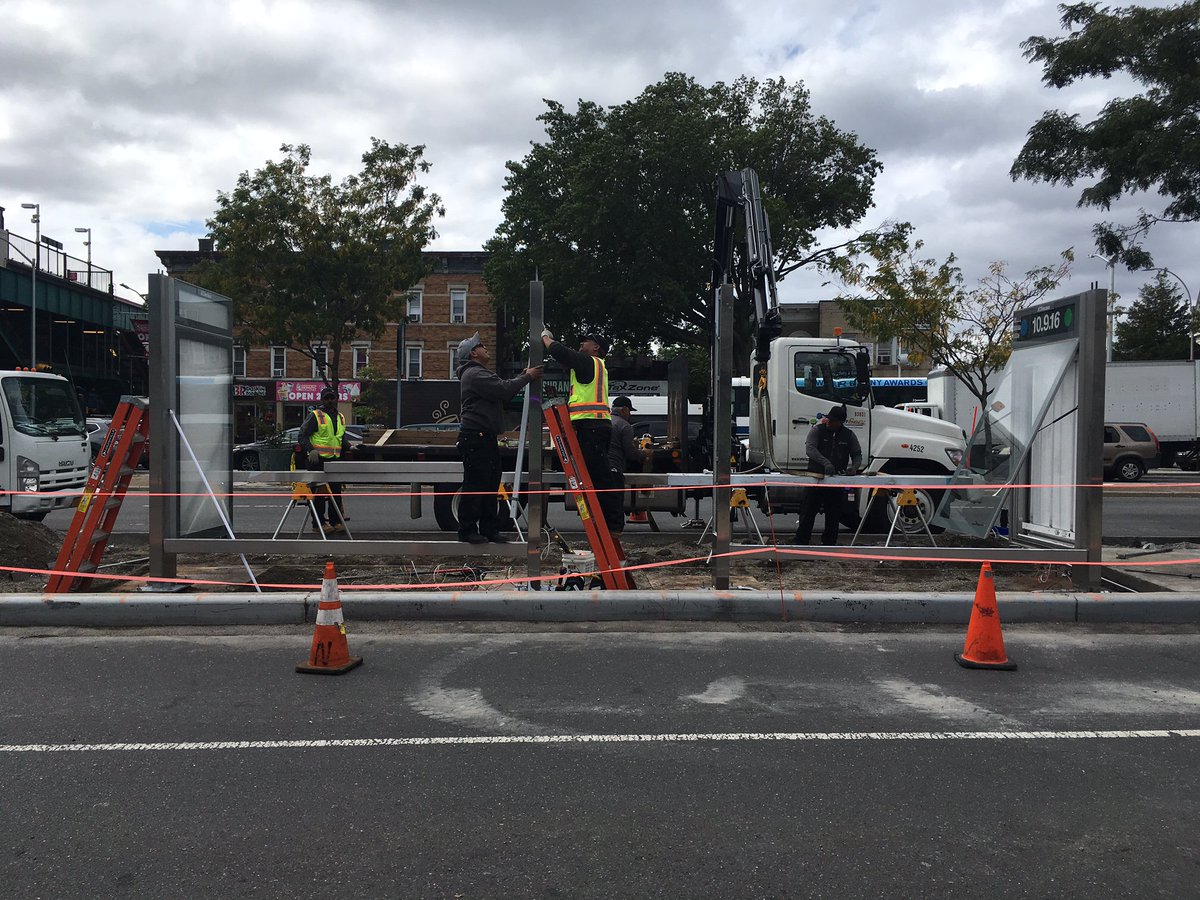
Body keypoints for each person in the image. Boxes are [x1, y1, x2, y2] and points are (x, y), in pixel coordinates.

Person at [455, 332, 542, 544]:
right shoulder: (475, 374)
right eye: (481, 345)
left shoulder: (478, 374)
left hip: (483, 436)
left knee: (490, 483)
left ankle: (488, 528)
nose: (486, 348)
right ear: (473, 353)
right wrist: (528, 376)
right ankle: (468, 530)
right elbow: (504, 389)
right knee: (476, 484)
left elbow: (503, 388)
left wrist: (522, 377)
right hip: (477, 436)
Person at [541, 328, 623, 533]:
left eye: (586, 341)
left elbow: (560, 351)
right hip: (595, 425)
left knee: (600, 476)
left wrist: (545, 337)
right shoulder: (595, 367)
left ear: (596, 348)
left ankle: (612, 524)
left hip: (592, 426)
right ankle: (608, 522)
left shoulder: (590, 362)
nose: (581, 344)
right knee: (597, 475)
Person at [793, 404, 863, 546]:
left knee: (833, 515)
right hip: (815, 479)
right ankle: (801, 543)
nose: (829, 422)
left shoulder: (849, 435)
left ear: (840, 422)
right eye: (828, 419)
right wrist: (826, 463)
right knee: (807, 512)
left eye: (832, 420)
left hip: (835, 482)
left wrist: (854, 468)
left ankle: (829, 544)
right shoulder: (817, 430)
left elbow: (857, 454)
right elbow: (810, 449)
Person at [298, 387, 352, 534]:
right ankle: (318, 523)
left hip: (334, 460)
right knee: (320, 494)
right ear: (322, 399)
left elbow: (339, 437)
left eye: (331, 398)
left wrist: (350, 447)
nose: (329, 400)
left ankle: (335, 521)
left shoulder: (340, 416)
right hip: (318, 461)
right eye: (326, 398)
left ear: (336, 399)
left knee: (335, 492)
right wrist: (311, 450)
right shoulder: (316, 415)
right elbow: (302, 436)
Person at [609, 395, 652, 525]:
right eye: (630, 411)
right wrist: (644, 454)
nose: (630, 414)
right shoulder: (625, 426)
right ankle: (616, 530)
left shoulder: (606, 421)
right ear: (624, 410)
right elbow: (630, 453)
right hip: (615, 467)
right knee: (615, 503)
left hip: (602, 466)